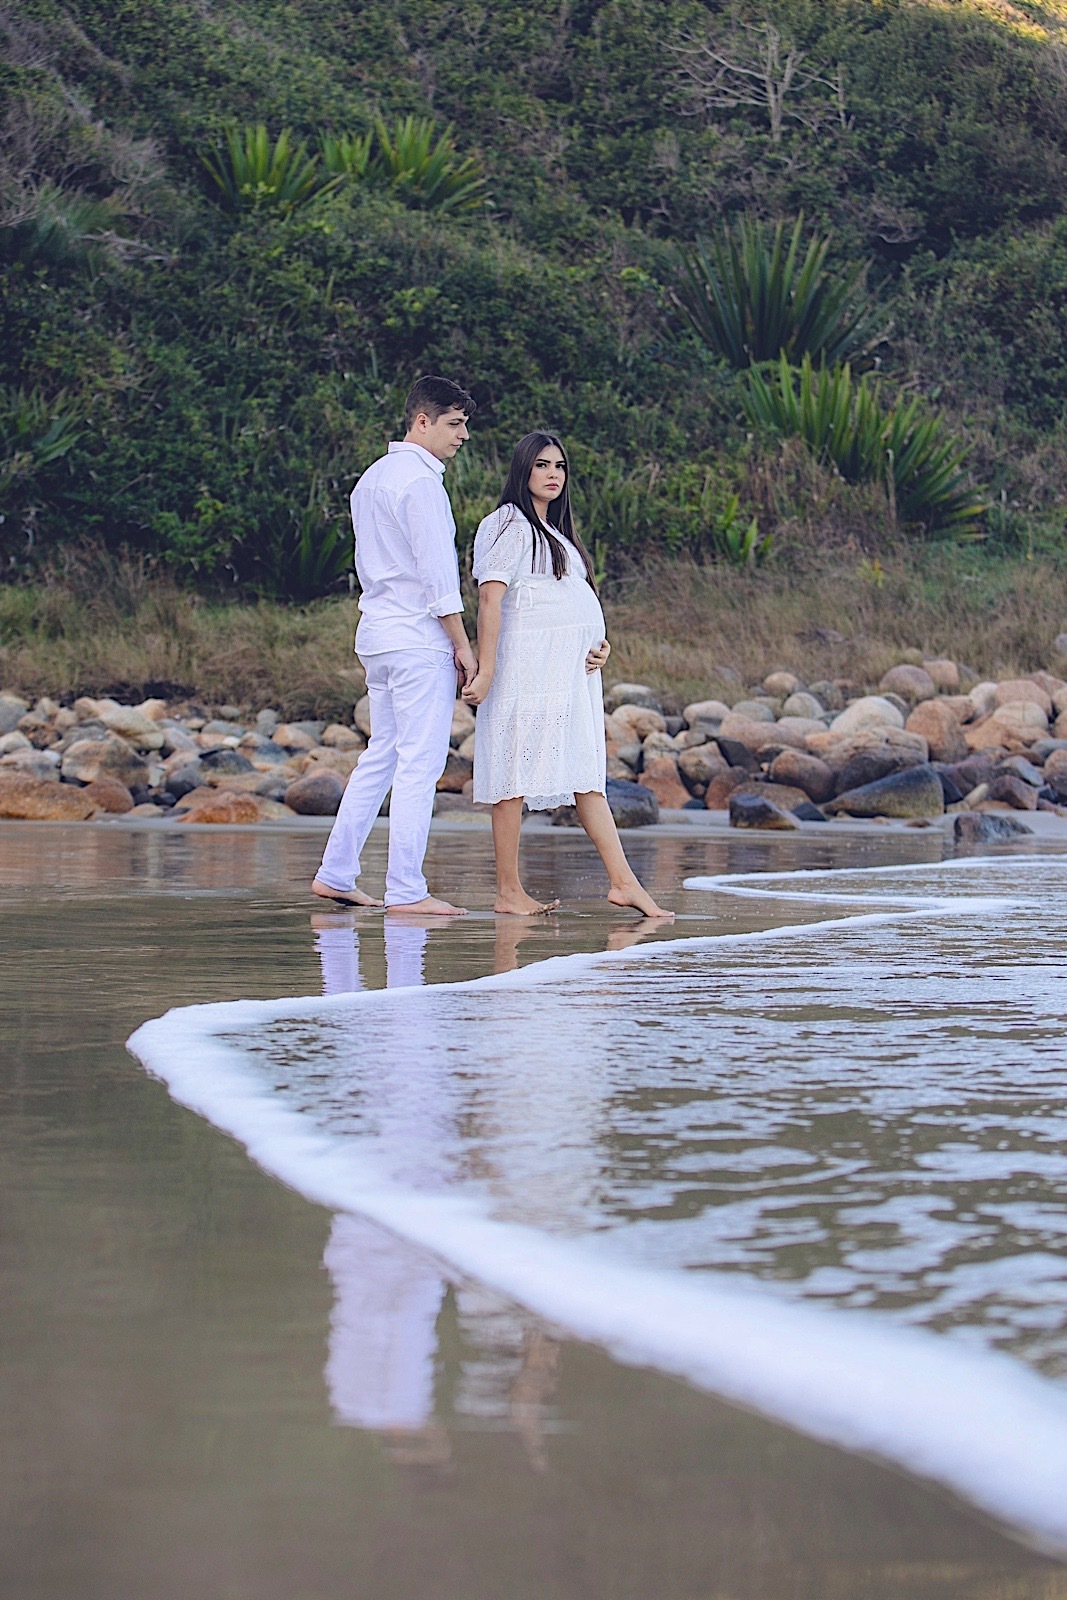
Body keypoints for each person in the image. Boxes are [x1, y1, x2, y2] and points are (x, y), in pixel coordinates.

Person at [462, 432, 672, 920]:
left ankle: (623, 883)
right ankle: (508, 890)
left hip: (569, 675)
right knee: (512, 771)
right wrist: (486, 669)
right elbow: (491, 598)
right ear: (523, 469)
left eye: (559, 466)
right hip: (526, 670)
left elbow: (570, 600)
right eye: (542, 465)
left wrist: (599, 643)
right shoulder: (507, 524)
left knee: (584, 772)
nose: (553, 474)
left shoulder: (558, 534)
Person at [313, 376, 478, 916]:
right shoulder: (421, 482)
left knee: (382, 755)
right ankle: (406, 888)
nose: (463, 436)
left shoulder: (372, 478)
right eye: (454, 424)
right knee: (419, 764)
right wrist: (463, 645)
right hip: (416, 638)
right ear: (422, 421)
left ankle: (336, 872)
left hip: (379, 635)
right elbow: (437, 576)